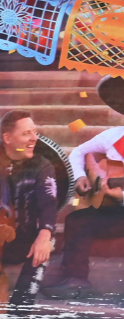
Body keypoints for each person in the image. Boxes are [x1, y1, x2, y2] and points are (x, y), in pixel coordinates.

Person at [42, 113, 124, 298]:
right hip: (111, 208)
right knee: (77, 219)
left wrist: (121, 198)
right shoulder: (113, 135)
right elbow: (79, 152)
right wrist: (80, 176)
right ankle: (76, 281)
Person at [0, 111, 56, 305]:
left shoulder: (42, 165)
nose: (34, 138)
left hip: (22, 238)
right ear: (7, 138)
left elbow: (49, 204)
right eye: (27, 133)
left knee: (48, 240)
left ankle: (22, 306)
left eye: (34, 132)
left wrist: (45, 236)